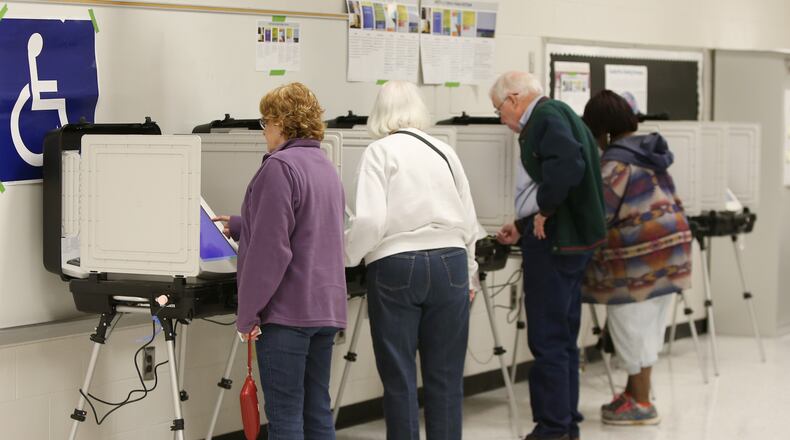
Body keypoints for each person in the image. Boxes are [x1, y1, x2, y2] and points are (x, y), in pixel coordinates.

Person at [344, 80, 482, 440]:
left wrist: (348, 255)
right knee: (446, 377)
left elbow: (371, 221)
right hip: (451, 263)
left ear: (379, 113)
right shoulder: (445, 151)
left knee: (400, 378)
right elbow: (469, 222)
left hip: (396, 266)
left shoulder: (379, 151)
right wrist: (470, 275)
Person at [214, 82, 347, 440]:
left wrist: (248, 312)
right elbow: (310, 227)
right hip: (325, 309)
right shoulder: (324, 165)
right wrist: (243, 224)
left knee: (286, 415)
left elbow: (271, 251)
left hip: (288, 314)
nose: (264, 132)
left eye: (265, 122)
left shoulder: (279, 167)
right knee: (316, 407)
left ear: (280, 123)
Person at [490, 71, 607, 440]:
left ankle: (553, 428)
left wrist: (545, 210)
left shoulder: (544, 117)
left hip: (556, 245)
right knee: (563, 338)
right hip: (572, 243)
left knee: (548, 339)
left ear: (513, 99)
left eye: (498, 110)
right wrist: (523, 226)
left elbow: (568, 164)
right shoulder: (560, 112)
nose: (501, 120)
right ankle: (566, 421)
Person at [581, 89, 692, 426]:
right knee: (649, 327)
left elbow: (599, 212)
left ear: (603, 128)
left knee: (630, 326)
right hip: (672, 249)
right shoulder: (648, 151)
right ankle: (633, 394)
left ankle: (642, 404)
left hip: (640, 255)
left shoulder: (616, 162)